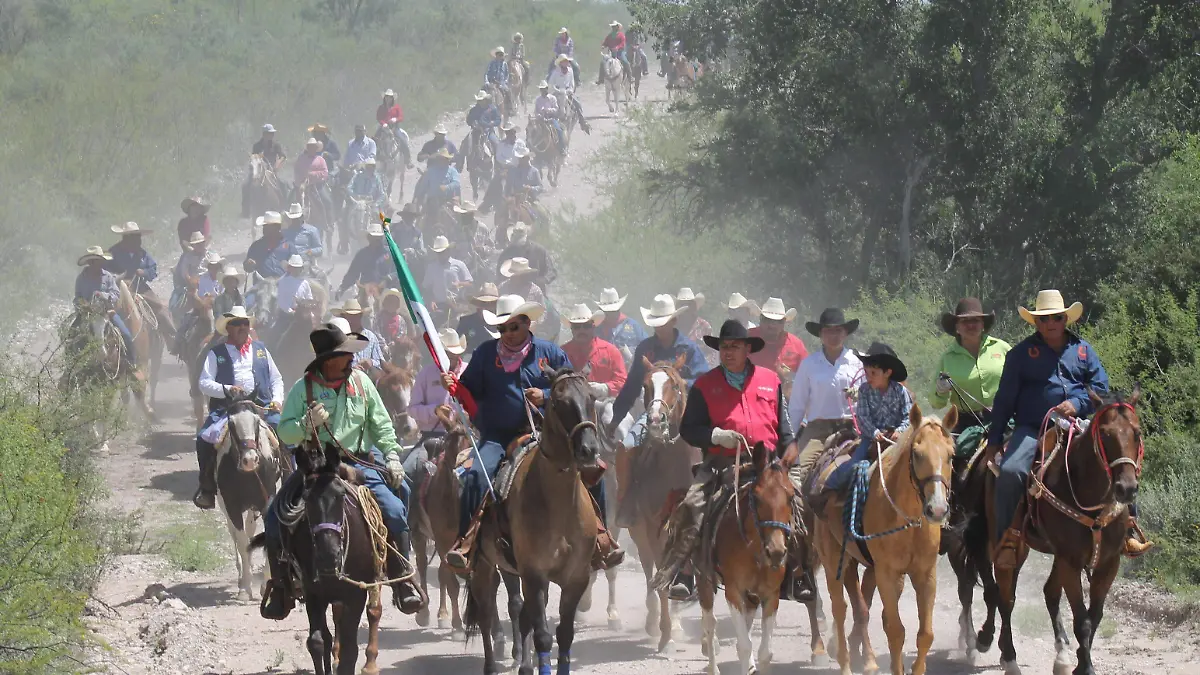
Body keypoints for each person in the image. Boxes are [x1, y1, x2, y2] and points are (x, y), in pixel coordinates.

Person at [439, 295, 625, 572]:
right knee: (476, 475)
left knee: (593, 470)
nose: (507, 334)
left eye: (513, 327)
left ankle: (601, 537)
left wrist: (546, 394)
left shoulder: (549, 352)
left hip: (546, 433)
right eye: (502, 329)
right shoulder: (485, 354)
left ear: (527, 324)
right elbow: (469, 391)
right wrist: (453, 384)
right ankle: (467, 541)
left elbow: (572, 387)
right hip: (497, 436)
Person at [262, 322, 426, 619]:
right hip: (316, 465)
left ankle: (402, 577)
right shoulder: (303, 389)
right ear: (328, 360)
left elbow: (381, 424)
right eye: (346, 354)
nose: (352, 359)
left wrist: (391, 454)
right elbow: (284, 432)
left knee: (397, 503)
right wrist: (304, 426)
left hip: (360, 463)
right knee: (274, 515)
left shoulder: (362, 383)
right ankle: (281, 584)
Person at [987, 290, 1148, 566]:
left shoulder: (1083, 350)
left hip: (1079, 424)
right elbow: (1003, 401)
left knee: (1119, 457)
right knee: (1012, 471)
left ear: (1065, 320)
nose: (1052, 323)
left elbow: (1101, 390)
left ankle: (1127, 529)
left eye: (1057, 317)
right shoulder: (1020, 355)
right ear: (1037, 323)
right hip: (1033, 427)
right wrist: (993, 441)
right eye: (1045, 318)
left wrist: (1076, 402)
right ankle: (1007, 539)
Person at [660, 319, 797, 601]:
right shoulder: (705, 385)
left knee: (801, 506)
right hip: (721, 464)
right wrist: (715, 436)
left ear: (748, 348)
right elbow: (689, 429)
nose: (728, 352)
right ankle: (684, 571)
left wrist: (791, 446)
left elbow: (783, 424)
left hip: (768, 465)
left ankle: (799, 572)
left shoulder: (771, 381)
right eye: (724, 347)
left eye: (735, 346)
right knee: (691, 505)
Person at [192, 306, 284, 509]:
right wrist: (226, 389)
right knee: (203, 439)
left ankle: (289, 484)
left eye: (246, 323)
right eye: (237, 324)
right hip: (227, 409)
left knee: (285, 432)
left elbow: (276, 379)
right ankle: (207, 488)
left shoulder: (261, 350)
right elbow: (204, 383)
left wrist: (277, 400)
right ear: (229, 328)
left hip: (260, 407)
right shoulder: (216, 353)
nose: (243, 327)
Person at [786, 308, 864, 507]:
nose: (833, 335)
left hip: (852, 428)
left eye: (838, 330)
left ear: (845, 333)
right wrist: (789, 439)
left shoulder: (858, 363)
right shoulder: (809, 364)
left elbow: (868, 398)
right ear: (820, 334)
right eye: (828, 331)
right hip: (817, 431)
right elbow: (797, 405)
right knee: (797, 474)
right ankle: (797, 526)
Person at [608, 294, 710, 440]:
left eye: (663, 322)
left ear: (674, 320)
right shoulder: (644, 348)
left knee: (705, 443)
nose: (659, 327)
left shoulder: (689, 349)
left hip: (685, 413)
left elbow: (704, 381)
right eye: (656, 323)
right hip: (652, 414)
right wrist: (617, 417)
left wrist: (683, 383)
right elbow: (632, 386)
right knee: (627, 446)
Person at [822, 343, 913, 496]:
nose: (868, 377)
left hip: (896, 439)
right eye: (866, 372)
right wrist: (875, 432)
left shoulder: (901, 391)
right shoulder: (864, 390)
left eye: (873, 373)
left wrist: (899, 431)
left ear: (887, 372)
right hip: (871, 439)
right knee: (853, 465)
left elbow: (908, 417)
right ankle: (827, 490)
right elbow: (863, 417)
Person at [931, 297, 1011, 434]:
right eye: (965, 321)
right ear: (957, 327)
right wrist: (941, 391)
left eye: (975, 320)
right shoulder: (947, 358)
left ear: (983, 325)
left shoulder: (1002, 348)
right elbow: (937, 404)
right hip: (965, 426)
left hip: (1005, 418)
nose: (971, 325)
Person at [105, 221, 176, 341]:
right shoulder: (113, 253)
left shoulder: (142, 253)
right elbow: (105, 271)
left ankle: (172, 337)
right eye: (136, 237)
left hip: (139, 287)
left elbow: (152, 269)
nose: (139, 240)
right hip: (118, 289)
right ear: (126, 238)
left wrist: (144, 273)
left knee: (160, 308)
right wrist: (117, 278)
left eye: (138, 237)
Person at [74, 246, 137, 373]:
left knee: (126, 335)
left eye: (99, 261)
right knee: (71, 335)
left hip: (107, 313)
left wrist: (104, 296)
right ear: (89, 262)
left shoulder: (108, 277)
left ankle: (131, 365)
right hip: (87, 314)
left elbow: (115, 293)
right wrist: (83, 304)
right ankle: (72, 367)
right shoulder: (81, 278)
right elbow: (77, 297)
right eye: (94, 261)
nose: (97, 264)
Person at [409, 327, 469, 448]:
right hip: (432, 436)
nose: (450, 356)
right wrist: (435, 410)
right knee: (409, 466)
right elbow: (412, 410)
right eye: (446, 352)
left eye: (453, 353)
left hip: (465, 435)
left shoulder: (469, 371)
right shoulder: (425, 374)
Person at [561, 303, 627, 400]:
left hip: (605, 401)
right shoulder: (562, 353)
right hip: (572, 404)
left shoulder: (611, 351)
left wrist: (605, 388)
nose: (582, 330)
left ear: (593, 326)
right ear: (571, 329)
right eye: (577, 327)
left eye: (586, 326)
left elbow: (622, 380)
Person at [748, 297, 809, 372]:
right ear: (761, 319)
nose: (772, 325)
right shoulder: (745, 338)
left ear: (784, 322)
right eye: (768, 320)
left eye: (777, 321)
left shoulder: (796, 345)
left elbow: (807, 375)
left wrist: (788, 379)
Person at [595, 287, 648, 367]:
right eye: (608, 312)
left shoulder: (633, 326)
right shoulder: (595, 329)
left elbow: (648, 347)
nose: (611, 314)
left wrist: (630, 352)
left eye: (613, 311)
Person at [496, 222, 556, 293]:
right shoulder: (507, 252)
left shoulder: (540, 251)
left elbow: (551, 272)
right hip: (512, 292)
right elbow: (499, 274)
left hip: (537, 292)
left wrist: (540, 281)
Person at [243, 124, 287, 217]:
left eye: (272, 133)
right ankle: (245, 210)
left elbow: (283, 156)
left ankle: (284, 208)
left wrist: (277, 164)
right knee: (246, 186)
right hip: (258, 170)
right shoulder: (257, 146)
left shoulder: (276, 145)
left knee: (283, 185)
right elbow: (254, 158)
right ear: (264, 134)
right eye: (269, 133)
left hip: (271, 171)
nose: (272, 135)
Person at [339, 222, 393, 296]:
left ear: (381, 238)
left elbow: (399, 270)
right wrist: (342, 288)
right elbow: (352, 274)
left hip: (386, 290)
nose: (376, 239)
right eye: (373, 237)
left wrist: (388, 278)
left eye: (378, 237)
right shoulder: (362, 254)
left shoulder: (390, 253)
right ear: (369, 238)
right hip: (366, 290)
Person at [421, 235, 472, 311]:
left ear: (448, 251)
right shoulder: (431, 267)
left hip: (457, 304)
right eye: (438, 253)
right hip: (439, 306)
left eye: (442, 252)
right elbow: (426, 288)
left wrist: (460, 284)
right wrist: (431, 300)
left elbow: (470, 283)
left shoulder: (459, 265)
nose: (440, 255)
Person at [335, 299, 385, 374]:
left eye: (355, 316)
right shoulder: (338, 338)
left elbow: (381, 362)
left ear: (360, 316)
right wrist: (351, 368)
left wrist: (371, 362)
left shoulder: (370, 337)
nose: (352, 320)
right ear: (344, 317)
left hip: (367, 379)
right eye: (349, 317)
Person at [479, 122, 520, 213]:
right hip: (505, 168)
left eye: (511, 132)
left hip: (517, 167)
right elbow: (499, 157)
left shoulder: (519, 143)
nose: (510, 134)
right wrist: (507, 164)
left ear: (514, 132)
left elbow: (521, 154)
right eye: (508, 133)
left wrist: (512, 163)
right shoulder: (501, 144)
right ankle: (487, 203)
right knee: (495, 181)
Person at [548, 56, 591, 135]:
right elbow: (551, 84)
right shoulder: (555, 72)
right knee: (549, 103)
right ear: (560, 63)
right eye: (565, 61)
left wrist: (570, 90)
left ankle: (582, 122)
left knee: (577, 103)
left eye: (567, 61)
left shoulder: (570, 71)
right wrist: (557, 90)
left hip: (567, 92)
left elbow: (572, 83)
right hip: (557, 92)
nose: (567, 63)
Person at [412, 147, 461, 213]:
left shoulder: (453, 171)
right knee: (422, 217)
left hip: (449, 201)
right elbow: (423, 186)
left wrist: (447, 187)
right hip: (432, 201)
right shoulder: (430, 171)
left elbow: (456, 183)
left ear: (448, 160)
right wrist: (418, 197)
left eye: (444, 159)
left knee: (457, 217)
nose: (442, 160)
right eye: (440, 158)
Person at [243, 211, 290, 279]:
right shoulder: (256, 246)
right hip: (262, 283)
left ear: (277, 228)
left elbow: (297, 265)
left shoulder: (288, 245)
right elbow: (247, 268)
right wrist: (249, 264)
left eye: (268, 227)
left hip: (283, 283)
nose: (264, 229)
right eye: (264, 226)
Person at [457, 283, 501, 353]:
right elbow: (457, 348)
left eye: (491, 303)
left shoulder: (502, 323)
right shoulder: (465, 322)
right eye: (483, 303)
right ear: (478, 304)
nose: (487, 307)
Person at [675, 288, 714, 367]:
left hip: (700, 371)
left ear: (694, 306)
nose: (686, 308)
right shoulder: (672, 327)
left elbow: (712, 353)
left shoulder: (704, 326)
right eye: (683, 305)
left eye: (688, 304)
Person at [533, 81, 567, 153]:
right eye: (541, 89)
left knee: (559, 130)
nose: (542, 91)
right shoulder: (538, 99)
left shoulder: (552, 98)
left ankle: (562, 148)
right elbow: (536, 111)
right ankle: (531, 147)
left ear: (547, 89)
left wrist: (548, 110)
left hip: (551, 119)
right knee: (532, 131)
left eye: (543, 89)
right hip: (541, 120)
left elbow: (556, 109)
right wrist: (538, 115)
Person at [465, 90, 502, 155]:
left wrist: (492, 123)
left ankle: (498, 164)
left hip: (488, 132)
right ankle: (460, 162)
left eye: (482, 100)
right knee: (464, 145)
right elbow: (468, 120)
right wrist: (473, 123)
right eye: (479, 100)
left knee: (497, 144)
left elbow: (498, 120)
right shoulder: (474, 110)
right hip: (475, 131)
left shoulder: (492, 109)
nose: (480, 102)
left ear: (485, 100)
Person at [596, 21, 628, 85]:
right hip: (610, 53)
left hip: (619, 52)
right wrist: (603, 46)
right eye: (612, 27)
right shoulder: (609, 36)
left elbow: (622, 44)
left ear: (617, 27)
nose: (613, 28)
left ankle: (630, 77)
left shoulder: (621, 35)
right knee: (602, 63)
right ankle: (601, 79)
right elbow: (606, 42)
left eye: (614, 26)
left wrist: (617, 47)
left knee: (625, 61)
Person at [483, 46, 511, 112]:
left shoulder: (504, 64)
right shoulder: (491, 63)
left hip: (501, 83)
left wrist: (504, 82)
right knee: (482, 91)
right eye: (499, 54)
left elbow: (507, 74)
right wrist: (487, 82)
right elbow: (486, 74)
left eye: (501, 55)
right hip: (492, 82)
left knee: (508, 92)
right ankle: (479, 108)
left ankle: (510, 109)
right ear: (496, 55)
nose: (500, 56)